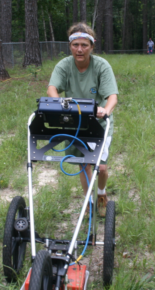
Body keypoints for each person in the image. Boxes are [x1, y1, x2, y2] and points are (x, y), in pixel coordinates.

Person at [47, 22, 118, 217]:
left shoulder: (101, 66)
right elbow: (52, 88)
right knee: (84, 164)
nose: (80, 49)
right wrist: (60, 104)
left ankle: (101, 193)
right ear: (70, 46)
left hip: (98, 122)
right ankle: (89, 200)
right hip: (75, 123)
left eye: (84, 45)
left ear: (92, 46)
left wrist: (106, 110)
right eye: (75, 45)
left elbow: (112, 96)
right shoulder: (64, 66)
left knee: (100, 167)